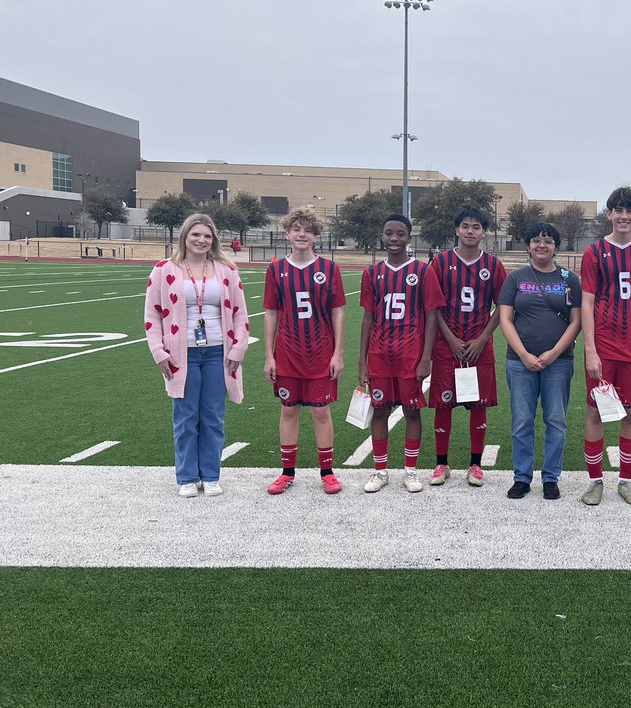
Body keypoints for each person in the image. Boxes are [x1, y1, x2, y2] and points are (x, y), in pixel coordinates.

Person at [144, 212, 249, 497]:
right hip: (182, 353)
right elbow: (152, 316)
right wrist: (159, 352)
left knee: (214, 416)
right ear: (185, 237)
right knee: (185, 417)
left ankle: (211, 475)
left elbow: (240, 313)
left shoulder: (227, 270)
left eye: (207, 235)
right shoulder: (164, 270)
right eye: (196, 235)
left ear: (213, 239)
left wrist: (239, 347)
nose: (201, 240)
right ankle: (187, 477)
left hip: (218, 352)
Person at [580, 186, 631, 505]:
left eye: (630, 210)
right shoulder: (595, 252)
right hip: (602, 345)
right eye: (618, 210)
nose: (624, 216)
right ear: (610, 214)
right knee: (595, 411)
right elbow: (586, 304)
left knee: (630, 412)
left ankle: (625, 481)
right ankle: (595, 481)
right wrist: (590, 350)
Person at [358, 214, 446, 493]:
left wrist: (426, 358)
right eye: (388, 233)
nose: (394, 238)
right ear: (382, 236)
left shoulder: (422, 271)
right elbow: (368, 319)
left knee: (411, 411)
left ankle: (410, 471)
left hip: (410, 355)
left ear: (409, 237)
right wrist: (362, 362)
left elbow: (432, 317)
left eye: (400, 234)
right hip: (380, 355)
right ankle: (380, 471)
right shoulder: (372, 273)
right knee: (380, 411)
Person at [262, 208, 346, 495]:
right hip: (287, 353)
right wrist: (269, 355)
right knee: (289, 409)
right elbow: (271, 313)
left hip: (320, 353)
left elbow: (337, 312)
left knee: (321, 411)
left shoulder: (329, 269)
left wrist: (338, 353)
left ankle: (327, 472)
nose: (301, 234)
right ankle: (287, 472)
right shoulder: (276, 270)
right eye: (296, 229)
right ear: (287, 233)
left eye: (307, 230)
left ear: (315, 236)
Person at [497, 222, 582, 500]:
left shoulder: (569, 279)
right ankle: (522, 477)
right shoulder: (516, 278)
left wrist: (554, 352)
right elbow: (505, 319)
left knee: (556, 420)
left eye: (548, 240)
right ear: (528, 245)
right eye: (536, 240)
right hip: (520, 362)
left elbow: (576, 321)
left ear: (557, 247)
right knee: (522, 420)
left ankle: (550, 477)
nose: (541, 245)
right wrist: (524, 354)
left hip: (558, 362)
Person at [428, 207, 508, 487]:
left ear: (483, 232)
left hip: (479, 348)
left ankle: (475, 464)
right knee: (443, 404)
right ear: (456, 230)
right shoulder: (440, 263)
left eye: (476, 226)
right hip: (447, 348)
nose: (470, 231)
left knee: (478, 405)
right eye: (465, 226)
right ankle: (441, 464)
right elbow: (434, 308)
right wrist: (449, 338)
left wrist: (483, 337)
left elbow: (503, 306)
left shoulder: (493, 265)